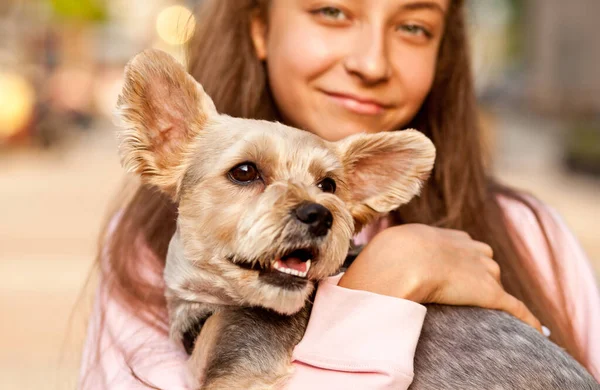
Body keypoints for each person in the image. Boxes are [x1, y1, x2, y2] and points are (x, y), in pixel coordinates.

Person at [78, 0, 600, 388]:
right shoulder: (141, 253)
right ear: (259, 25)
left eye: (414, 26)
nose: (371, 63)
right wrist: (387, 278)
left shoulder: (531, 234)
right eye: (332, 11)